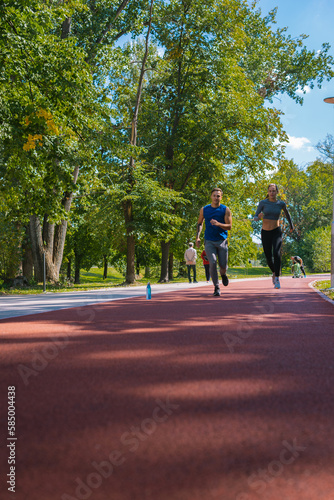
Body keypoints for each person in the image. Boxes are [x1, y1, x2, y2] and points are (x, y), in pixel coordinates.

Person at [254, 183, 294, 289]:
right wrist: (258, 216)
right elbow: (255, 217)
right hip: (265, 232)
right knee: (268, 256)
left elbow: (287, 214)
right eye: (270, 191)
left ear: (277, 192)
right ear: (268, 192)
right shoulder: (263, 203)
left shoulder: (281, 204)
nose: (272, 193)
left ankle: (277, 278)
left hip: (276, 231)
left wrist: (291, 225)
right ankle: (274, 272)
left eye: (274, 191)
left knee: (276, 253)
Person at [196, 188, 232, 297]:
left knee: (223, 266)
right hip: (209, 241)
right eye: (214, 195)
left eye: (218, 196)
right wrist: (197, 237)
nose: (216, 198)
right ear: (211, 196)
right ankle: (216, 287)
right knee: (212, 262)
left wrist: (218, 224)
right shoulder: (204, 209)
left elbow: (229, 226)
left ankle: (223, 274)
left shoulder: (225, 210)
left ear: (221, 197)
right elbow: (200, 223)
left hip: (222, 241)